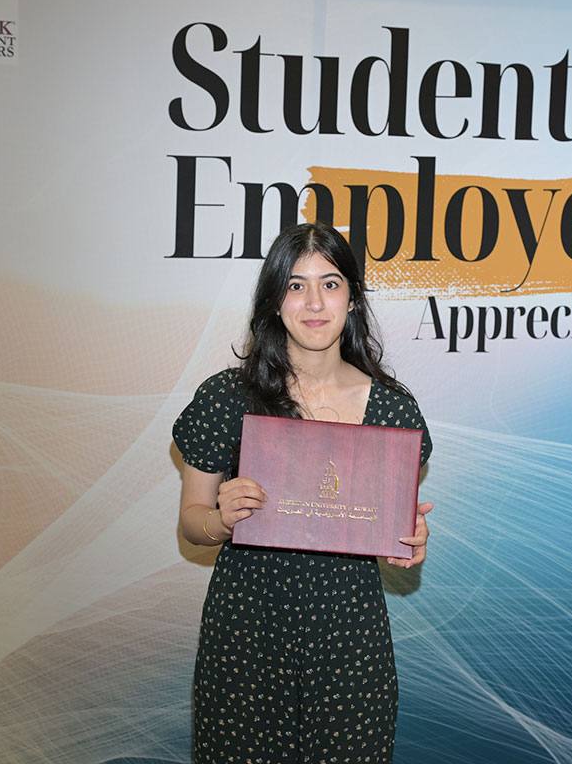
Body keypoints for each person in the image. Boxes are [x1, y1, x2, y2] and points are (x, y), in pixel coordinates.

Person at [172, 222, 433, 763]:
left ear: (353, 299)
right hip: (246, 637)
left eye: (330, 284)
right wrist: (221, 519)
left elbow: (393, 527)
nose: (314, 302)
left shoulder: (392, 410)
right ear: (274, 301)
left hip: (349, 641)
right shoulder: (227, 398)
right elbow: (191, 522)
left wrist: (409, 538)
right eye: (296, 285)